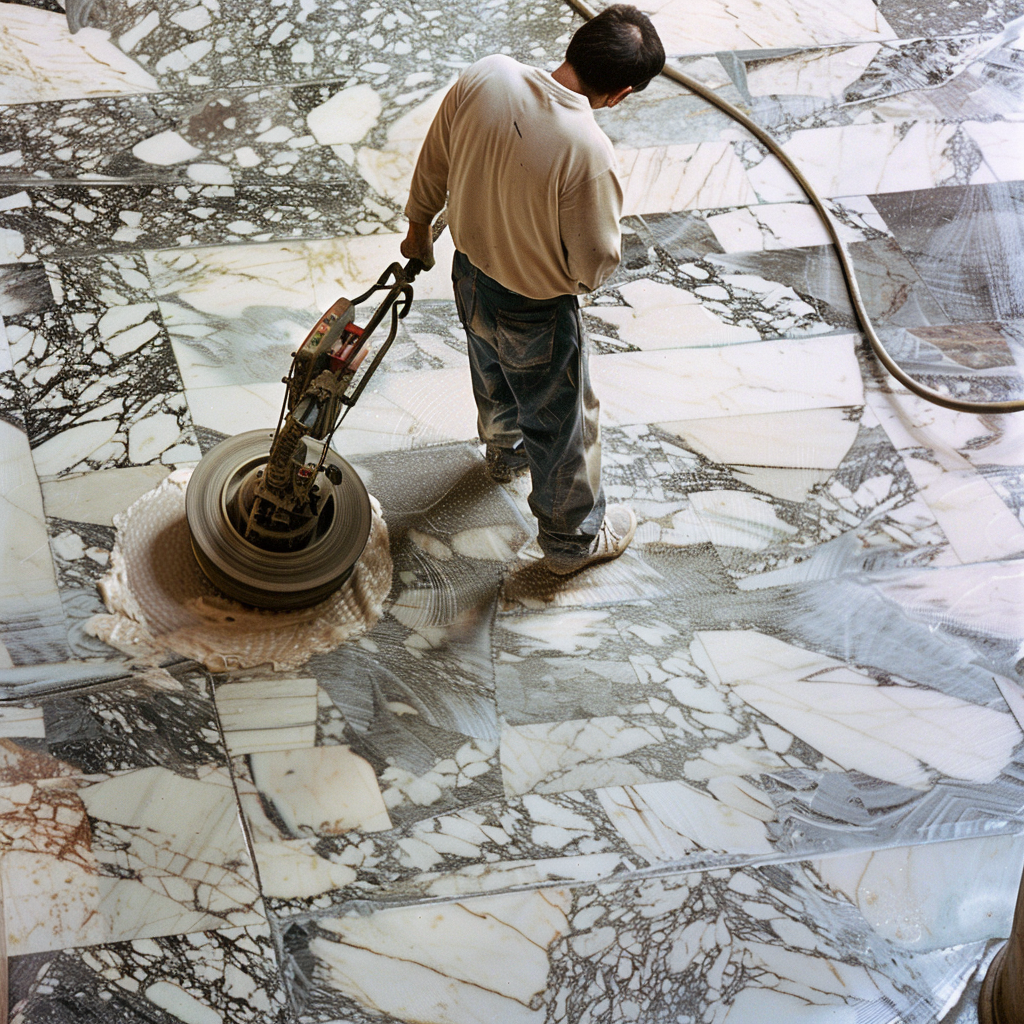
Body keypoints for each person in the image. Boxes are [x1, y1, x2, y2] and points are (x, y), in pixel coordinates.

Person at [401, 5, 664, 575]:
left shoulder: (488, 73)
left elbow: (436, 155)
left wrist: (419, 226)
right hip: (536, 309)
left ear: (575, 44)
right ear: (619, 93)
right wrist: (566, 280)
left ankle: (504, 453)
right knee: (562, 420)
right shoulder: (587, 150)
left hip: (468, 275)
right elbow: (594, 262)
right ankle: (571, 543)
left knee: (490, 372)